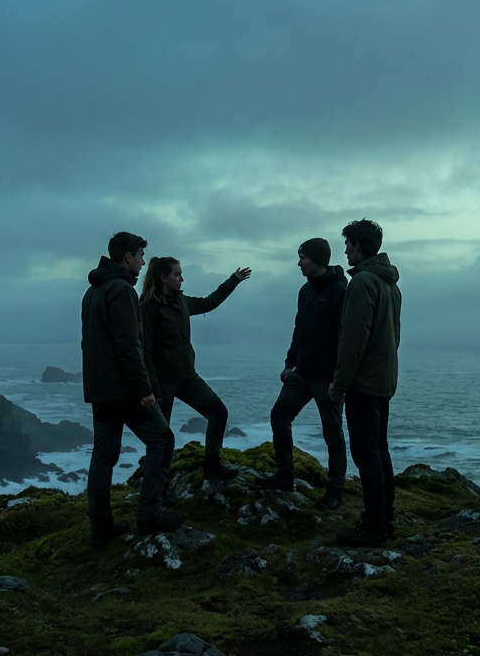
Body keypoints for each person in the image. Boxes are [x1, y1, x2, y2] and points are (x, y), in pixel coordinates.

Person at [81, 231, 184, 546]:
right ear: (127, 256)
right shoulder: (122, 291)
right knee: (163, 441)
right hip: (125, 389)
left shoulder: (92, 292)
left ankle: (100, 528)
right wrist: (145, 389)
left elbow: (90, 344)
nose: (142, 262)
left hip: (100, 390)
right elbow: (130, 346)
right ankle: (149, 516)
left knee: (103, 455)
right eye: (140, 256)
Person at [255, 238, 348, 508]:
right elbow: (300, 329)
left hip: (327, 378)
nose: (299, 263)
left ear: (317, 260)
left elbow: (346, 337)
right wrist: (289, 363)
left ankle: (335, 492)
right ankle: (285, 477)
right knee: (279, 415)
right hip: (302, 373)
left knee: (333, 433)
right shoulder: (305, 290)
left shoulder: (340, 291)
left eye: (303, 258)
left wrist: (337, 378)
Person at [139, 256, 251, 481]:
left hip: (187, 377)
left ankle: (212, 467)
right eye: (177, 274)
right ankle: (158, 490)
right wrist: (152, 389)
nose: (182, 278)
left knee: (219, 414)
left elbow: (210, 302)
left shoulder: (181, 301)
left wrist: (233, 280)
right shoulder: (148, 306)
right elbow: (145, 351)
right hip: (163, 383)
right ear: (163, 278)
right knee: (162, 439)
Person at [328, 219, 401, 546]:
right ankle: (386, 518)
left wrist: (339, 385)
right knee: (379, 449)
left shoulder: (362, 282)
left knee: (365, 453)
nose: (344, 250)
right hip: (383, 380)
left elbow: (352, 341)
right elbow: (395, 336)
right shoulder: (390, 284)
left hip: (363, 383)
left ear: (358, 246)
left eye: (347, 245)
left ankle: (374, 527)